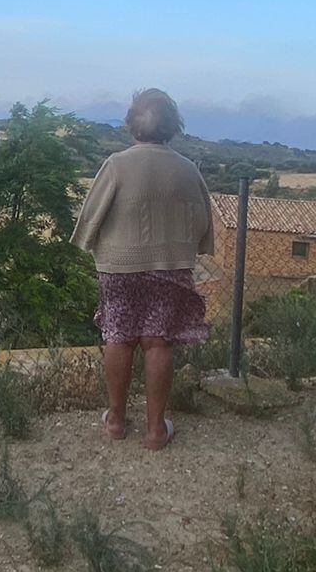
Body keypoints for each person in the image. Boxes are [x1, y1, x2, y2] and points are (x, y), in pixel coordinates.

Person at [69, 88, 215, 451]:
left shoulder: (116, 165)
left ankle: (116, 422)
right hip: (170, 266)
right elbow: (202, 222)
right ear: (172, 126)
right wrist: (190, 249)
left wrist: (87, 243)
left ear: (132, 124)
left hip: (118, 267)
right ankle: (154, 432)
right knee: (158, 341)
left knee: (119, 336)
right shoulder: (188, 169)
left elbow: (90, 217)